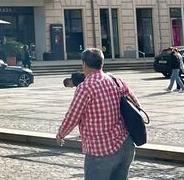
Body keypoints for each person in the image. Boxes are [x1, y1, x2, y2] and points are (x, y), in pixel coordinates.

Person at [57, 48, 138, 180]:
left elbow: (73, 116)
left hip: (100, 150)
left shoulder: (85, 87)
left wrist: (61, 134)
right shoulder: (116, 80)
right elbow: (136, 105)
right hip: (125, 146)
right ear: (102, 63)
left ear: (84, 64)